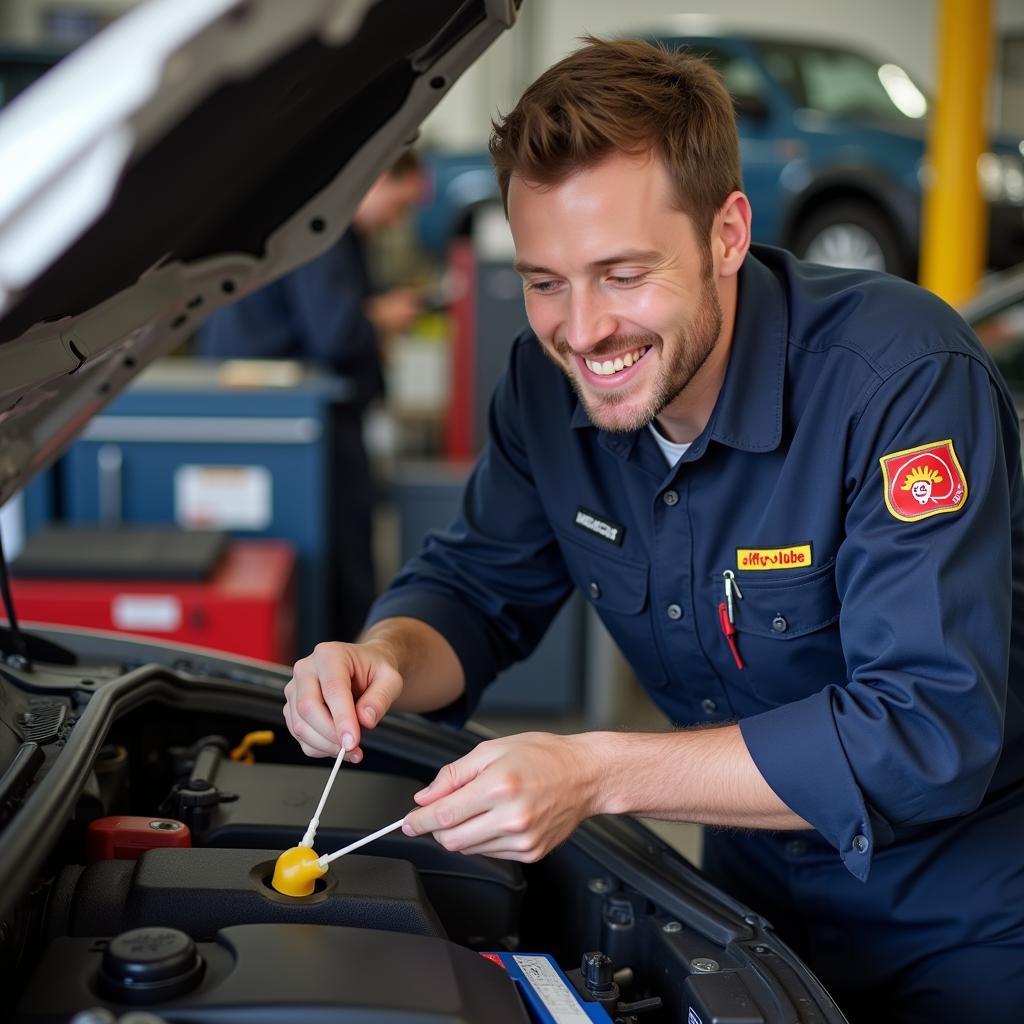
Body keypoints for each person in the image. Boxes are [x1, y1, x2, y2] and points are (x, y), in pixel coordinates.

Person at [282, 38, 1024, 1022]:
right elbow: (471, 591)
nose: (581, 331)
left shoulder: (897, 379)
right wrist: (377, 660)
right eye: (545, 280)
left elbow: (922, 729)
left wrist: (592, 772)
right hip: (744, 911)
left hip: (965, 919)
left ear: (725, 233)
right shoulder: (544, 394)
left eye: (622, 274)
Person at [198, 152, 424, 639]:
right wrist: (381, 317)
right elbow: (336, 333)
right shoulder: (322, 232)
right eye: (398, 204)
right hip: (304, 425)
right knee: (339, 569)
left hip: (259, 416)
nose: (395, 220)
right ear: (377, 176)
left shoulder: (293, 220)